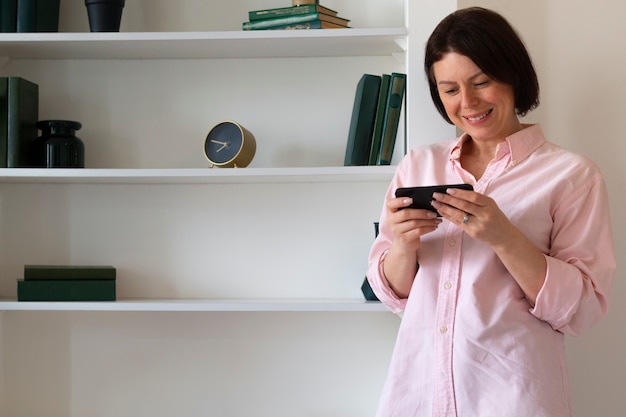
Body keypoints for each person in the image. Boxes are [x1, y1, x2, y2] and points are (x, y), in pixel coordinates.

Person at [366, 7, 615, 417]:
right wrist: (403, 245)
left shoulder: (572, 175)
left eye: (481, 82)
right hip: (418, 395)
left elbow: (584, 308)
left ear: (513, 75)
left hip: (515, 398)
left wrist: (505, 236)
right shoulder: (418, 165)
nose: (467, 102)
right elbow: (393, 294)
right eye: (449, 90)